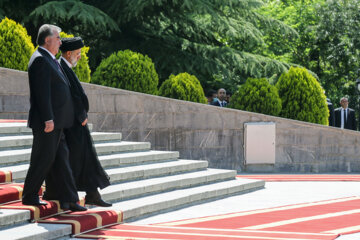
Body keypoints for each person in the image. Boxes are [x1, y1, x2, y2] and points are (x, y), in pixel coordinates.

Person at [22, 24, 86, 211]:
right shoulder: (40, 59)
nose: (60, 41)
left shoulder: (49, 59)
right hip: (48, 123)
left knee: (61, 159)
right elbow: (42, 94)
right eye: (57, 38)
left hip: (57, 122)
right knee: (42, 159)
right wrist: (48, 119)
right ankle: (29, 195)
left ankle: (69, 198)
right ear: (47, 40)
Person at [42, 37, 112, 207]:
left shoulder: (65, 67)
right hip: (70, 124)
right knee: (71, 160)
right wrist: (79, 115)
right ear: (68, 53)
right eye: (78, 53)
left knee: (84, 159)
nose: (80, 56)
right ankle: (64, 195)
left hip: (76, 123)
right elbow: (67, 97)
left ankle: (91, 194)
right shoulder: (60, 67)